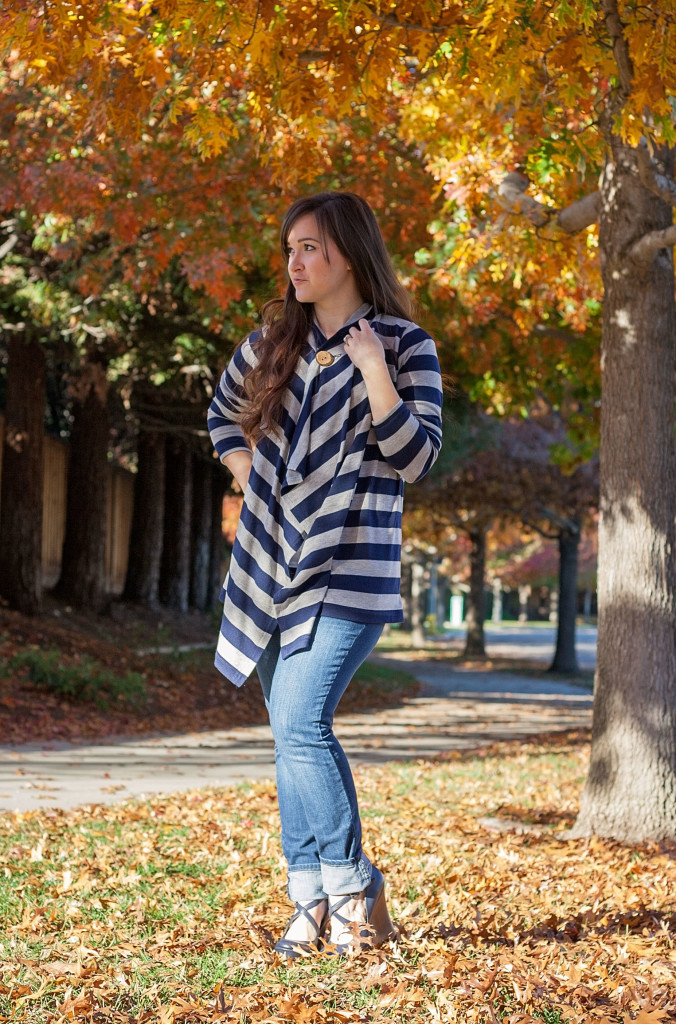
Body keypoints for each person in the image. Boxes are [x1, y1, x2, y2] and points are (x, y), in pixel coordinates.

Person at [207, 191, 443, 958]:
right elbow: (221, 417)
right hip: (273, 566)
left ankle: (351, 888)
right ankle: (310, 901)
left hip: (353, 570)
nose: (295, 263)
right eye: (290, 250)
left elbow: (415, 459)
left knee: (302, 722)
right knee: (289, 734)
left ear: (348, 252)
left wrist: (375, 371)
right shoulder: (274, 342)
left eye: (310, 247)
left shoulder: (405, 346)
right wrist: (253, 480)